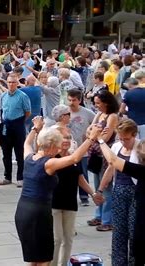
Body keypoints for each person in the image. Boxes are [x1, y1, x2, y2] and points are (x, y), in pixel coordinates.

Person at [15, 116, 103, 265]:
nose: (59, 148)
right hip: (39, 213)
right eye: (58, 144)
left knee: (33, 258)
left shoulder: (29, 157)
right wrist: (91, 138)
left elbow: (27, 142)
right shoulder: (49, 163)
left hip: (22, 211)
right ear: (51, 146)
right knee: (44, 259)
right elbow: (74, 158)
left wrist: (36, 128)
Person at [51, 126, 99, 266]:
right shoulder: (52, 158)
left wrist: (93, 193)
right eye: (63, 138)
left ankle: (63, 264)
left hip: (70, 203)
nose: (66, 140)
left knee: (68, 238)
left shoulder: (73, 158)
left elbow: (80, 178)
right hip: (53, 202)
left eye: (68, 138)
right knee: (57, 238)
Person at [97, 119, 139, 265]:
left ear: (134, 135)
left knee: (134, 232)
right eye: (120, 138)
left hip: (136, 193)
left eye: (126, 139)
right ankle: (118, 263)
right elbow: (111, 168)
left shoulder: (141, 148)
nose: (123, 141)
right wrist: (100, 189)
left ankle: (134, 261)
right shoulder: (116, 146)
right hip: (119, 190)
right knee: (119, 232)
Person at [86, 90, 119, 232]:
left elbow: (104, 138)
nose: (96, 105)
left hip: (105, 154)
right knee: (98, 183)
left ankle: (107, 219)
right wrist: (95, 134)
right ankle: (99, 215)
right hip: (96, 153)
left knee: (106, 187)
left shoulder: (112, 116)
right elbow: (88, 130)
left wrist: (94, 134)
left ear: (106, 102)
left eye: (98, 103)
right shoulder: (99, 114)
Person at [0, 74, 31, 187]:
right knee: (6, 152)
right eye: (9, 82)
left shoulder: (23, 96)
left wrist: (19, 121)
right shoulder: (3, 96)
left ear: (17, 83)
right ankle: (7, 176)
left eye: (13, 82)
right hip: (6, 125)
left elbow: (27, 112)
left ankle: (20, 178)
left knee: (19, 153)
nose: (11, 84)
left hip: (18, 124)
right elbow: (2, 110)